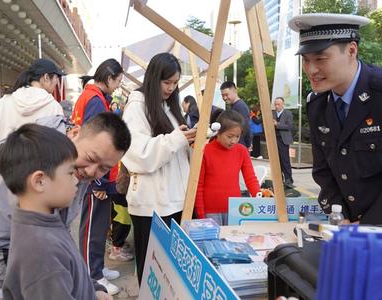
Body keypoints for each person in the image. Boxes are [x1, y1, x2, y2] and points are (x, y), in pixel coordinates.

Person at [0, 112, 131, 298]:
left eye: (104, 168)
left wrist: (90, 285)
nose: (92, 171)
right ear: (75, 133)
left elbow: (62, 231)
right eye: (92, 158)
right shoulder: (31, 156)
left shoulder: (72, 166)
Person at [288, 13, 382, 224]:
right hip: (348, 229)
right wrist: (339, 216)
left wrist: (369, 224)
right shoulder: (317, 104)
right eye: (306, 60)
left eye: (320, 59)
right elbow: (322, 171)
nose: (311, 70)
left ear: (351, 50)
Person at [121, 52, 196, 285]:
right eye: (167, 82)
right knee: (151, 272)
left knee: (172, 273)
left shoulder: (169, 106)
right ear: (154, 78)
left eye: (175, 83)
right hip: (150, 204)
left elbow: (175, 149)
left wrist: (189, 141)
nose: (171, 88)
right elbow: (139, 154)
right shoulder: (137, 106)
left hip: (175, 200)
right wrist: (177, 139)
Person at [72, 58, 123, 295]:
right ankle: (92, 274)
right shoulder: (94, 99)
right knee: (92, 227)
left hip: (98, 177)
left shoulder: (96, 97)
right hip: (95, 178)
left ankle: (97, 268)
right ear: (110, 77)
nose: (118, 85)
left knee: (99, 225)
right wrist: (99, 181)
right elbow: (93, 144)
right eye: (118, 80)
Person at [195, 110, 261, 225]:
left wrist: (258, 196)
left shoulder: (242, 151)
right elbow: (198, 185)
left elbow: (250, 178)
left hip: (235, 209)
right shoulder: (205, 151)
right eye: (230, 136)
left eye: (237, 136)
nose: (234, 141)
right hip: (210, 211)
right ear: (218, 132)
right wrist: (201, 214)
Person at [0, 58, 65, 141]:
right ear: (46, 77)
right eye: (56, 78)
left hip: (5, 153)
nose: (57, 82)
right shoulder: (54, 107)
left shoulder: (5, 100)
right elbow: (58, 142)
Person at [220, 81, 251, 149]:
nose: (224, 98)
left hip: (240, 145)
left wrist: (248, 144)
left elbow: (246, 128)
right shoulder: (234, 106)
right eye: (222, 95)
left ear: (235, 91)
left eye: (226, 94)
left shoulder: (240, 107)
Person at [272, 97, 294, 187]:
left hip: (283, 140)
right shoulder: (272, 113)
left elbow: (290, 126)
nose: (277, 106)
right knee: (276, 161)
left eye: (278, 104)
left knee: (285, 160)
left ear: (283, 104)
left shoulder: (288, 113)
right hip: (274, 140)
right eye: (275, 104)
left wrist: (278, 124)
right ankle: (279, 179)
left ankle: (288, 179)